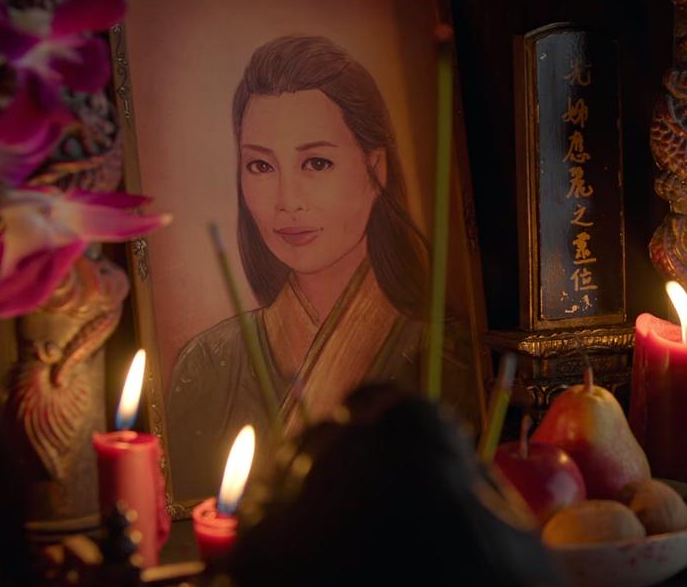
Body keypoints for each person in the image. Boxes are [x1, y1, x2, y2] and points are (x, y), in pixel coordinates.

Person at [166, 35, 479, 502]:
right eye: (260, 166)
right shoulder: (209, 365)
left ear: (376, 168)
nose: (287, 201)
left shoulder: (448, 358)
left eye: (316, 162)